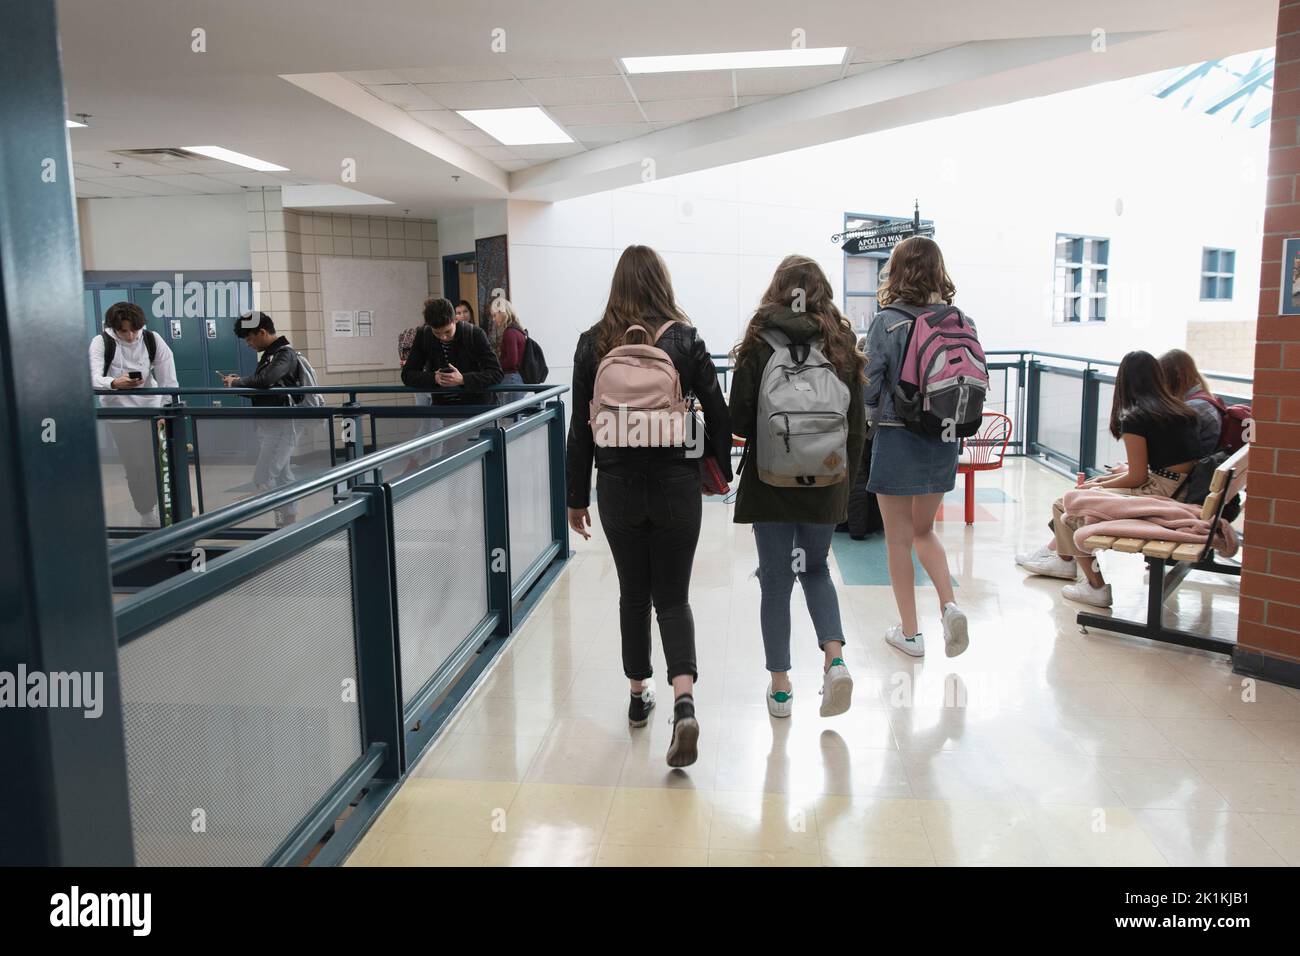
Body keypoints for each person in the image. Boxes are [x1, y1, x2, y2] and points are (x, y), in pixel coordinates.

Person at [565, 245, 732, 767]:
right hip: (677, 484)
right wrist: (715, 470)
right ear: (662, 282)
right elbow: (720, 413)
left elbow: (579, 429)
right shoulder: (684, 339)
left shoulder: (592, 343)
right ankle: (684, 701)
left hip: (615, 486)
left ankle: (639, 697)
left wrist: (575, 498)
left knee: (633, 593)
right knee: (674, 597)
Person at [728, 255, 866, 717]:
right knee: (816, 570)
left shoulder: (759, 343)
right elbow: (857, 425)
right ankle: (835, 660)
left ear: (777, 289)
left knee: (775, 581)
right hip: (826, 480)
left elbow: (739, 420)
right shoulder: (841, 344)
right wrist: (844, 481)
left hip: (771, 482)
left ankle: (782, 689)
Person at [1016, 350, 1202, 607]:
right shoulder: (1182, 411)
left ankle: (1094, 585)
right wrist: (1101, 484)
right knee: (1081, 495)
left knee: (1066, 504)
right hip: (1180, 488)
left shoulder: (1136, 417)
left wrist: (1100, 484)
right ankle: (1062, 558)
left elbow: (1137, 477)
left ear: (1124, 381)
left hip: (1159, 493)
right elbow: (1155, 468)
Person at [864, 236, 970, 658]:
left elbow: (869, 384)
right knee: (925, 531)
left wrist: (869, 419)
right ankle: (949, 606)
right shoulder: (959, 319)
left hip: (896, 435)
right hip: (943, 435)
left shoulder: (886, 321)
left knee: (897, 540)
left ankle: (910, 634)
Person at [89, 301, 178, 526]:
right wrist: (114, 382)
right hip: (120, 415)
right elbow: (92, 377)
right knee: (136, 466)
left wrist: (168, 410)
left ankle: (171, 503)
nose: (130, 336)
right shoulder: (101, 342)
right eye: (123, 331)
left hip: (152, 409)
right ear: (113, 328)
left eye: (134, 330)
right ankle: (146, 511)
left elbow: (169, 378)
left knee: (161, 461)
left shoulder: (152, 339)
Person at [222, 312, 304, 528]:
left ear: (262, 332)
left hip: (284, 424)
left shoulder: (284, 354)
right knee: (283, 474)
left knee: (266, 474)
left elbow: (266, 380)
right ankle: (287, 520)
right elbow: (261, 387)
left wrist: (238, 382)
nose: (248, 344)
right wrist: (237, 384)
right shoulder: (269, 355)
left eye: (249, 338)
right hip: (272, 424)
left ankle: (280, 516)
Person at [401, 296, 503, 407]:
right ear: (429, 326)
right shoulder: (424, 335)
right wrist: (434, 378)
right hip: (446, 410)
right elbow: (407, 375)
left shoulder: (475, 334)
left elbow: (496, 373)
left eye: (447, 331)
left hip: (477, 410)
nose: (443, 337)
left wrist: (463, 379)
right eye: (437, 333)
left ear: (455, 319)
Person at [1159, 348, 1224, 456]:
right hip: (1205, 464)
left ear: (1174, 376)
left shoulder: (1193, 407)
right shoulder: (1205, 398)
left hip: (1196, 470)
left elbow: (1175, 453)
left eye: (1161, 378)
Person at [489, 297, 527, 404]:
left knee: (509, 418)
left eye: (494, 315)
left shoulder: (509, 332)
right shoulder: (519, 331)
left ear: (501, 312)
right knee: (516, 416)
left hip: (511, 379)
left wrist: (496, 367)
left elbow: (512, 361)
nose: (493, 319)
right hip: (518, 378)